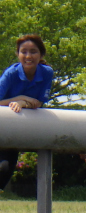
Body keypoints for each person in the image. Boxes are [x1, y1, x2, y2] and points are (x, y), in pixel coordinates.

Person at [0, 34, 53, 191]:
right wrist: (20, 98)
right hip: (3, 123)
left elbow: (39, 103)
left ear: (41, 55)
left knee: (4, 169)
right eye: (24, 51)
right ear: (17, 54)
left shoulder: (47, 73)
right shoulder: (11, 74)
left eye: (33, 51)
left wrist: (23, 103)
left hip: (16, 130)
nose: (28, 56)